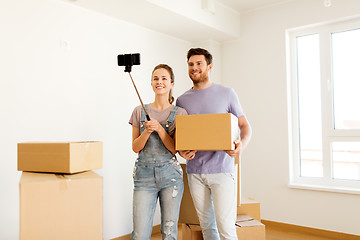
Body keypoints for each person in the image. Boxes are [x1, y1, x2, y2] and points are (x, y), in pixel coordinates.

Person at [176, 48, 252, 240]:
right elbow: (182, 135)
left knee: (226, 229)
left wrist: (241, 145)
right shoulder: (182, 100)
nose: (194, 68)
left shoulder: (227, 93)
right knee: (207, 228)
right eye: (191, 64)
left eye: (199, 63)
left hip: (222, 171)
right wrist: (182, 152)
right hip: (195, 172)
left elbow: (244, 125)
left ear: (209, 67)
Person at [129, 64, 187, 240]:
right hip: (144, 176)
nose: (159, 82)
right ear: (151, 83)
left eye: (164, 79)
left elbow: (175, 149)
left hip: (171, 177)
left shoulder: (180, 113)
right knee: (140, 234)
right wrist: (146, 131)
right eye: (155, 78)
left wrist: (160, 130)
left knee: (169, 233)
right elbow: (135, 147)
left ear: (172, 83)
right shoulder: (139, 111)